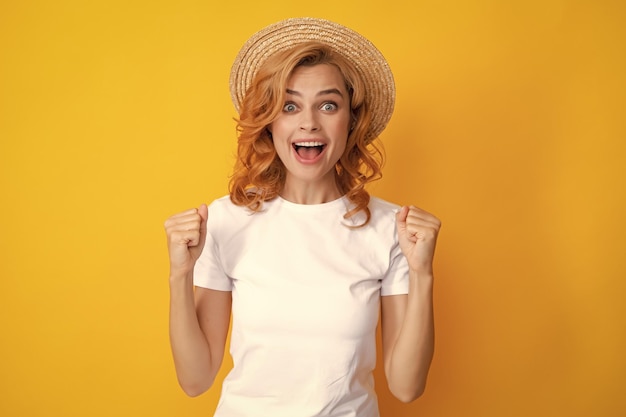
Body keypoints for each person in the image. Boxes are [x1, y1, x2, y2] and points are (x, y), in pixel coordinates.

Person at [164, 17, 441, 417]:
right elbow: (195, 380)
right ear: (269, 121)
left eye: (328, 105)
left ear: (352, 121)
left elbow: (406, 386)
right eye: (289, 106)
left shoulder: (391, 229)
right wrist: (179, 276)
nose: (309, 122)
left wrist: (423, 274)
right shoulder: (225, 221)